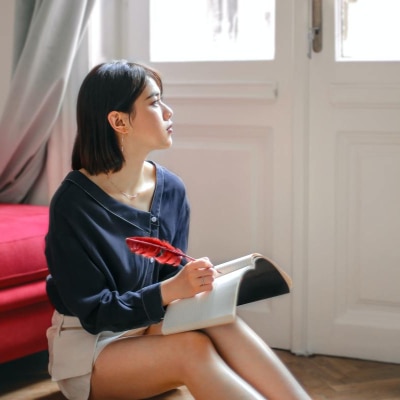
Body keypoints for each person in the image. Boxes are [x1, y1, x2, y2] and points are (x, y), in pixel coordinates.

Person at [45, 60, 311, 400]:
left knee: (220, 320)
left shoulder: (170, 189)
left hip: (149, 328)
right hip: (92, 348)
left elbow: (168, 280)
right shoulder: (73, 204)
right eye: (154, 102)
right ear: (119, 121)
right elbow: (96, 314)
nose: (168, 112)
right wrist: (171, 291)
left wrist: (195, 286)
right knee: (192, 350)